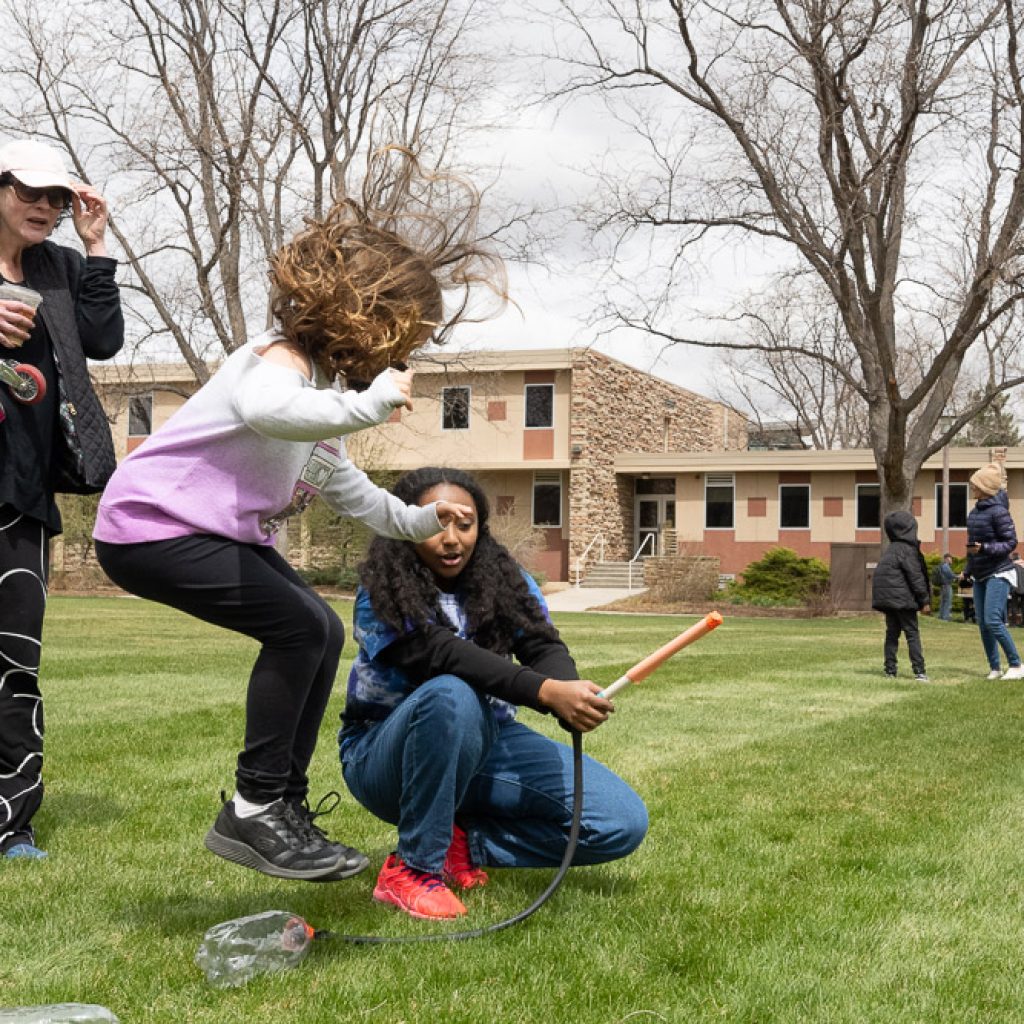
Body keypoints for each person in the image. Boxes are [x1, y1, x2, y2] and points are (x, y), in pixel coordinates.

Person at [93, 154, 504, 882]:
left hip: (208, 534)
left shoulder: (319, 404)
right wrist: (367, 404)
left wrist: (417, 520)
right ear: (365, 320)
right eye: (405, 334)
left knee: (322, 628)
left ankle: (276, 806)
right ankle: (255, 809)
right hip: (148, 528)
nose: (408, 352)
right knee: (297, 626)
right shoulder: (276, 361)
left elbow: (343, 486)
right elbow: (264, 411)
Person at [339, 467, 649, 920]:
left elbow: (540, 642)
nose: (451, 539)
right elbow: (444, 655)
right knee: (450, 692)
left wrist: (567, 688)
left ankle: (461, 845)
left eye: (464, 525)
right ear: (406, 524)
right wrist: (543, 692)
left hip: (488, 741)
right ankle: (413, 868)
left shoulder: (503, 576)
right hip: (382, 756)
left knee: (618, 823)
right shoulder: (380, 587)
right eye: (436, 523)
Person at [0, 140, 124, 860]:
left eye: (59, 197)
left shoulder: (61, 268)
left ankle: (11, 821)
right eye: (30, 192)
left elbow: (103, 339)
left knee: (15, 659)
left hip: (21, 491)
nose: (45, 207)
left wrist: (97, 246)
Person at [962, 463, 1024, 679]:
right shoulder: (973, 513)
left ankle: (1016, 665)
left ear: (985, 488)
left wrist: (986, 548)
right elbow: (972, 547)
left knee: (993, 620)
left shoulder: (999, 512)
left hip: (999, 571)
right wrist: (967, 571)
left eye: (975, 485)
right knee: (983, 623)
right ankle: (995, 668)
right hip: (980, 573)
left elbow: (1011, 543)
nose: (972, 488)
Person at [870, 510, 931, 681]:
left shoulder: (891, 550)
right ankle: (919, 671)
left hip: (889, 600)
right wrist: (924, 601)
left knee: (892, 634)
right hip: (904, 600)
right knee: (912, 633)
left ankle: (890, 670)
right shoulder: (907, 550)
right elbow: (916, 577)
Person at [936, 553, 956, 622]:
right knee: (947, 601)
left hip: (943, 586)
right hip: (946, 586)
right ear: (947, 558)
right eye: (951, 558)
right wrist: (959, 576)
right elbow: (950, 575)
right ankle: (945, 618)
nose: (951, 560)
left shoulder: (942, 566)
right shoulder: (945, 566)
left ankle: (941, 617)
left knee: (943, 601)